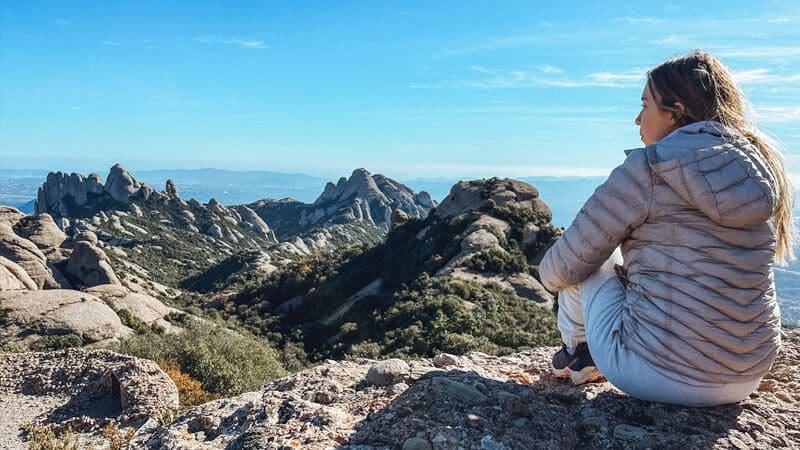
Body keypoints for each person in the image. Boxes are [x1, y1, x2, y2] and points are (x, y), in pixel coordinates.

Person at [538, 50, 793, 407]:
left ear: (675, 113)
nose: (637, 118)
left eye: (645, 105)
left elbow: (561, 269)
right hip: (748, 373)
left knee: (591, 259)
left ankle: (580, 356)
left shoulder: (648, 168)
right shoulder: (757, 170)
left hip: (659, 375)